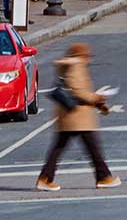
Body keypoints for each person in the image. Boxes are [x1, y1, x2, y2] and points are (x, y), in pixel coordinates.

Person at [37, 43, 120, 191]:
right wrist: (97, 97)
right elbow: (78, 91)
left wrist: (98, 103)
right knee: (93, 149)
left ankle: (45, 178)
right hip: (77, 116)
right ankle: (104, 177)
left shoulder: (72, 66)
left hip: (72, 116)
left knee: (61, 149)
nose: (89, 59)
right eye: (87, 55)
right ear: (80, 56)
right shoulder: (77, 67)